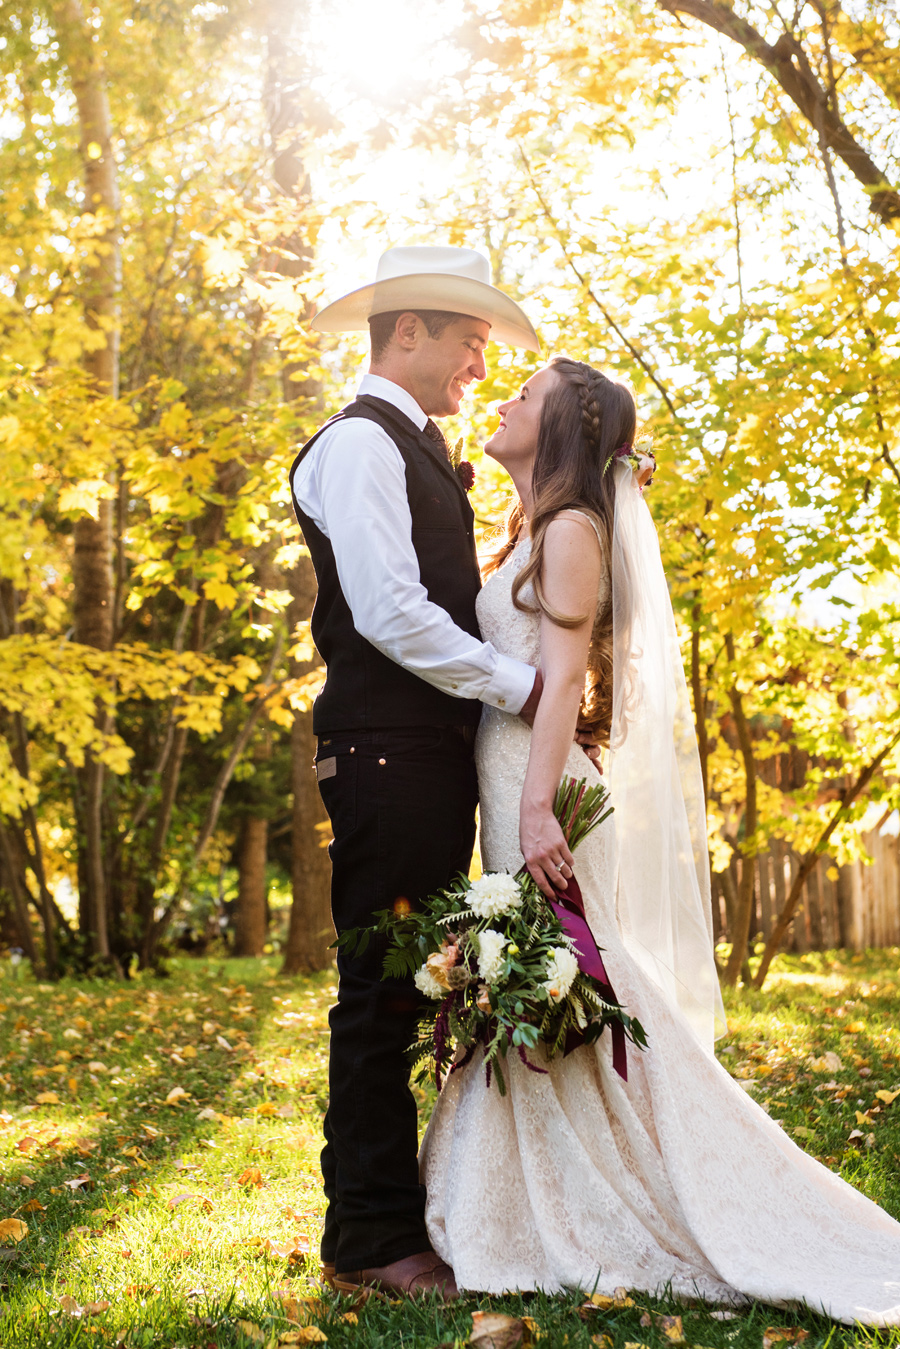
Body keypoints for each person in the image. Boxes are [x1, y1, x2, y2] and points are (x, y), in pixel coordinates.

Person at [419, 355, 900, 1324]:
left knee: (574, 979)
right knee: (558, 983)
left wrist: (537, 811)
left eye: (525, 395)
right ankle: (525, 1191)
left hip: (540, 788)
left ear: (556, 427)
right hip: (516, 779)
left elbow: (559, 680)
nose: (504, 400)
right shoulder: (534, 524)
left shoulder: (570, 529)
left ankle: (607, 1197)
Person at [290, 245, 544, 1300]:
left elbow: (444, 587)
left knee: (412, 989)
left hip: (422, 757)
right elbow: (393, 612)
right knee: (382, 994)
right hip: (388, 754)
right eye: (471, 343)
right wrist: (516, 685)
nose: (480, 367)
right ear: (408, 333)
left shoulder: (419, 446)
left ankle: (395, 1210)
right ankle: (369, 1239)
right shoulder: (358, 445)